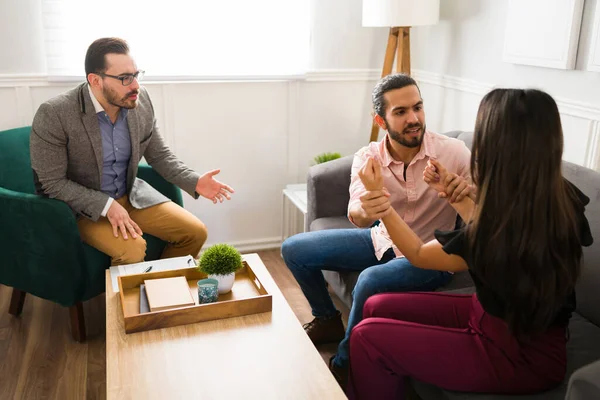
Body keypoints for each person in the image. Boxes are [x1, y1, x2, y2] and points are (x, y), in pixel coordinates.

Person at [348, 88, 593, 399]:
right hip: (493, 317)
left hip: (518, 356)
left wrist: (379, 201)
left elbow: (420, 254)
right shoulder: (557, 193)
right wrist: (456, 194)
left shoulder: (508, 227)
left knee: (367, 338)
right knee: (375, 304)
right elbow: (488, 233)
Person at [281, 73, 473, 386]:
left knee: (369, 280)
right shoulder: (368, 157)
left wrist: (462, 190)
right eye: (400, 112)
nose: (414, 119)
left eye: (418, 107)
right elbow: (356, 212)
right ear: (380, 121)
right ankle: (328, 319)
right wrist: (366, 207)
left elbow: (484, 204)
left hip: (427, 256)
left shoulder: (454, 153)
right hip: (379, 240)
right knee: (294, 249)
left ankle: (346, 362)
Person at [30, 37, 234, 265]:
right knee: (133, 250)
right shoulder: (55, 113)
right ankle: (123, 300)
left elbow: (159, 155)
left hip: (131, 195)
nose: (135, 85)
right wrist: (106, 206)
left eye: (136, 75)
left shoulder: (140, 100)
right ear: (95, 80)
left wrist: (194, 181)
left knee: (195, 233)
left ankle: (156, 291)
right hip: (83, 209)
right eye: (125, 78)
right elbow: (51, 182)